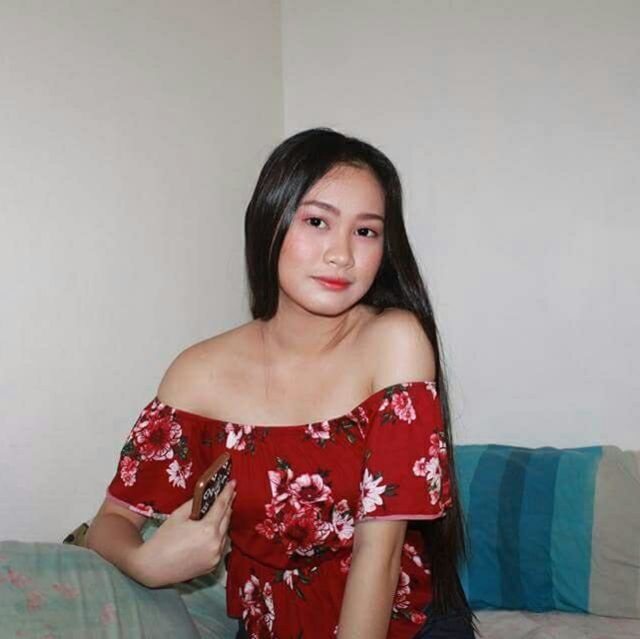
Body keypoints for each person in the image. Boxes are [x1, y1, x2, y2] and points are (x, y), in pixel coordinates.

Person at [86, 127, 478, 638]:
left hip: (400, 620)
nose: (342, 254)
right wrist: (146, 563)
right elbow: (110, 523)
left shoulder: (395, 342)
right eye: (317, 221)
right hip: (270, 623)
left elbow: (377, 555)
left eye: (366, 231)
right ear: (270, 220)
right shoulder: (198, 373)